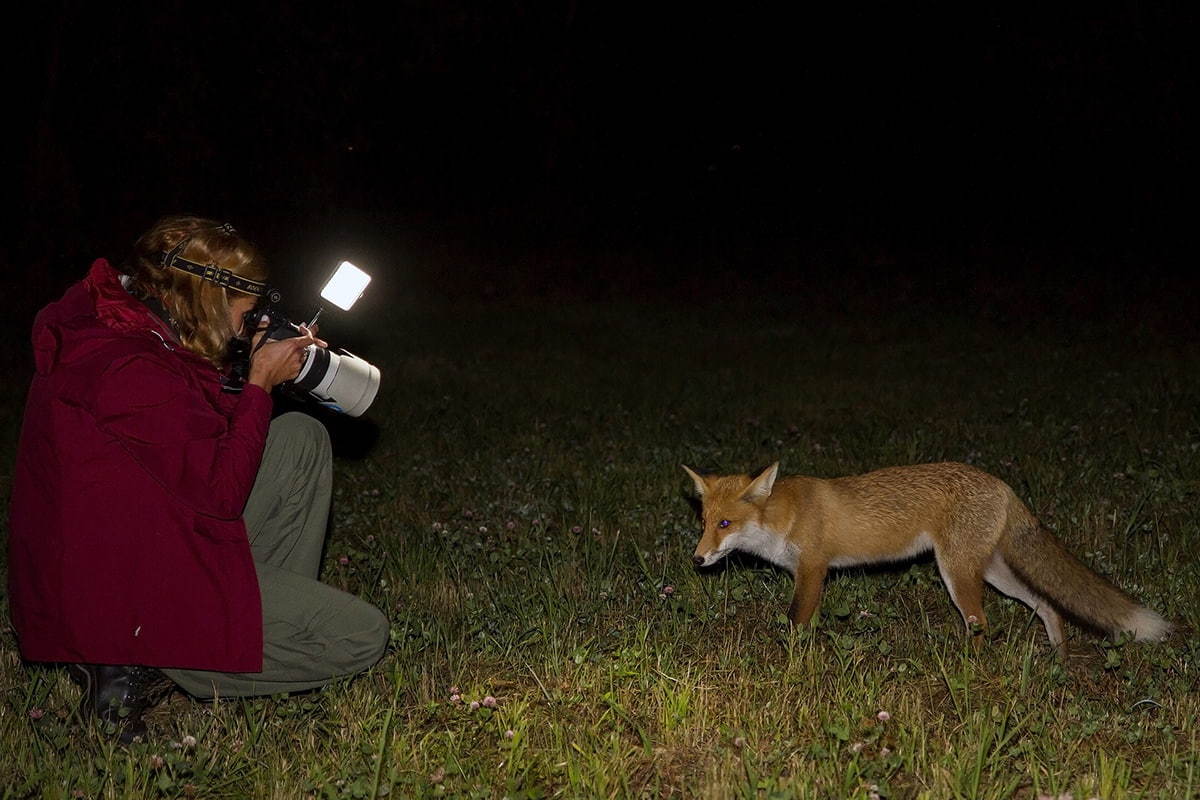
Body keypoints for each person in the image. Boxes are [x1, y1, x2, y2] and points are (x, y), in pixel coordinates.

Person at [7, 215, 389, 742]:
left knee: (300, 437)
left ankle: (239, 624)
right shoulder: (125, 364)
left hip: (142, 541)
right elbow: (220, 493)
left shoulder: (130, 327)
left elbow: (194, 425)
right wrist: (258, 383)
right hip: (118, 594)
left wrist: (256, 370)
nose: (250, 320)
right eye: (246, 309)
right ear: (209, 296)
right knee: (363, 637)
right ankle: (143, 661)